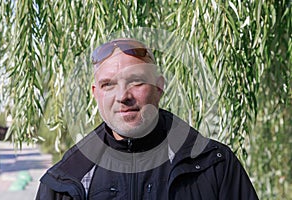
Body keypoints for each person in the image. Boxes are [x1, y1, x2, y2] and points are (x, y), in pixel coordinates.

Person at [36, 38, 258, 200]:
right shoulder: (66, 179)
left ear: (159, 87)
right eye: (108, 84)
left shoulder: (215, 165)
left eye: (136, 81)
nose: (123, 96)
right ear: (96, 93)